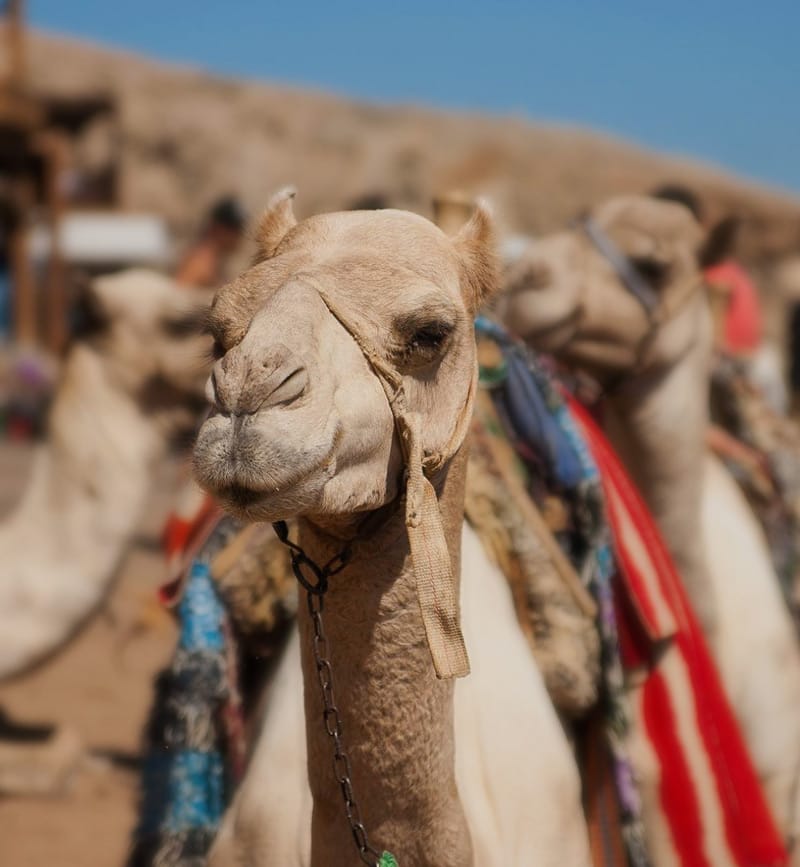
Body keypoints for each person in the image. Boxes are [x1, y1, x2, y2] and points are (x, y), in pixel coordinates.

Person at [175, 196, 246, 289]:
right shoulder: (199, 264)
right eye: (237, 232)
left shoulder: (214, 266)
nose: (239, 238)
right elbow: (177, 295)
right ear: (220, 229)